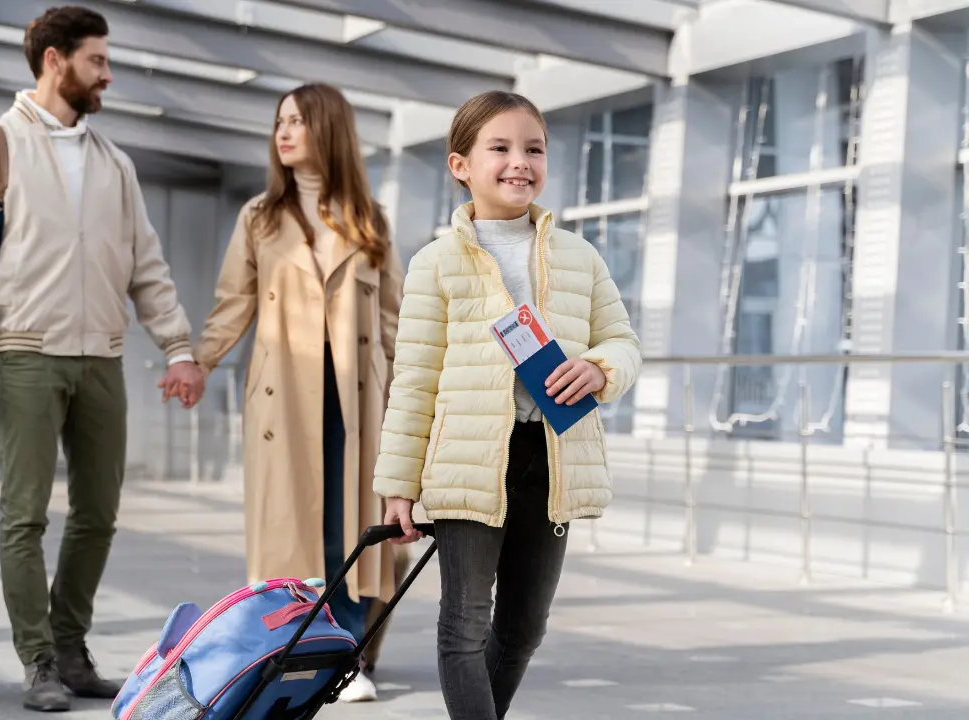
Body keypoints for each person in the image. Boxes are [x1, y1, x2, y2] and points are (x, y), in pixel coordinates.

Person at [0, 6, 204, 713]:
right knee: (24, 516)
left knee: (99, 514)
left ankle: (72, 647)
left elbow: (147, 266)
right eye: (97, 61)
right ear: (55, 60)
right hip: (24, 354)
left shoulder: (115, 163)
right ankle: (39, 659)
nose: (107, 74)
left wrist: (178, 346)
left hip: (102, 358)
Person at [374, 90, 642, 720]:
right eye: (500, 148)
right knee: (463, 626)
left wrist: (600, 369)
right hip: (467, 461)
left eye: (534, 149)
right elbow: (413, 381)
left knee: (524, 628)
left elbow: (623, 342)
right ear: (460, 165)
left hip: (551, 458)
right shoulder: (434, 265)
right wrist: (397, 486)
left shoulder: (580, 255)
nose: (520, 162)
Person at [169, 83, 403, 702]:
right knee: (289, 529)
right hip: (282, 397)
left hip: (356, 399)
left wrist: (417, 406)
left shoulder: (369, 219)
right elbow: (233, 305)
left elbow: (395, 323)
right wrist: (199, 362)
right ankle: (295, 648)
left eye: (297, 120)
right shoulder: (260, 217)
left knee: (351, 527)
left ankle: (347, 652)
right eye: (280, 121)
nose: (284, 131)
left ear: (327, 129)